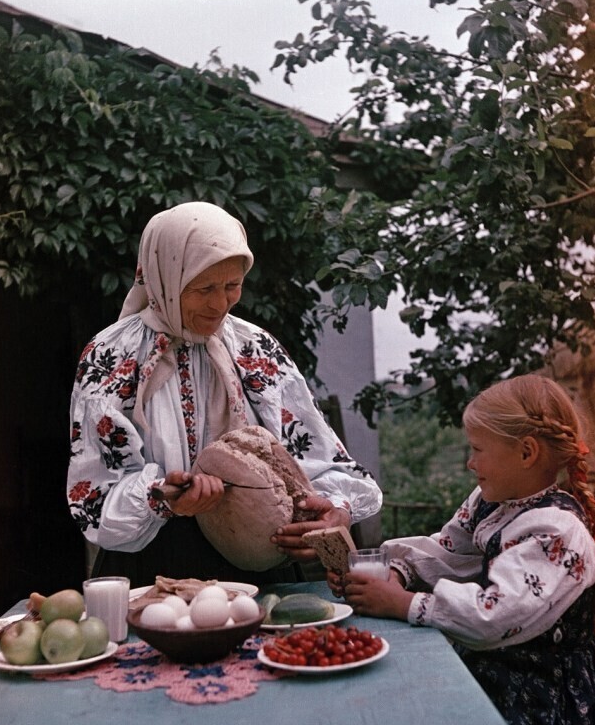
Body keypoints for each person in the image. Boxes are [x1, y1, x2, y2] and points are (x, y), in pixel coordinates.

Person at [67, 201, 382, 587]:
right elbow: (95, 496)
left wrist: (334, 509)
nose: (220, 304)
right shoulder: (111, 357)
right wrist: (163, 497)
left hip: (261, 564)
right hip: (154, 569)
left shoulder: (255, 348)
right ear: (165, 277)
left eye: (232, 286)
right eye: (204, 289)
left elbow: (317, 460)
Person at [332, 375, 595, 725]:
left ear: (526, 453)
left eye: (477, 449)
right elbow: (448, 552)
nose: (469, 462)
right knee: (390, 699)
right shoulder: (494, 501)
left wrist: (404, 604)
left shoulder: (557, 531)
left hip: (546, 701)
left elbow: (494, 615)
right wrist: (398, 571)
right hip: (499, 668)